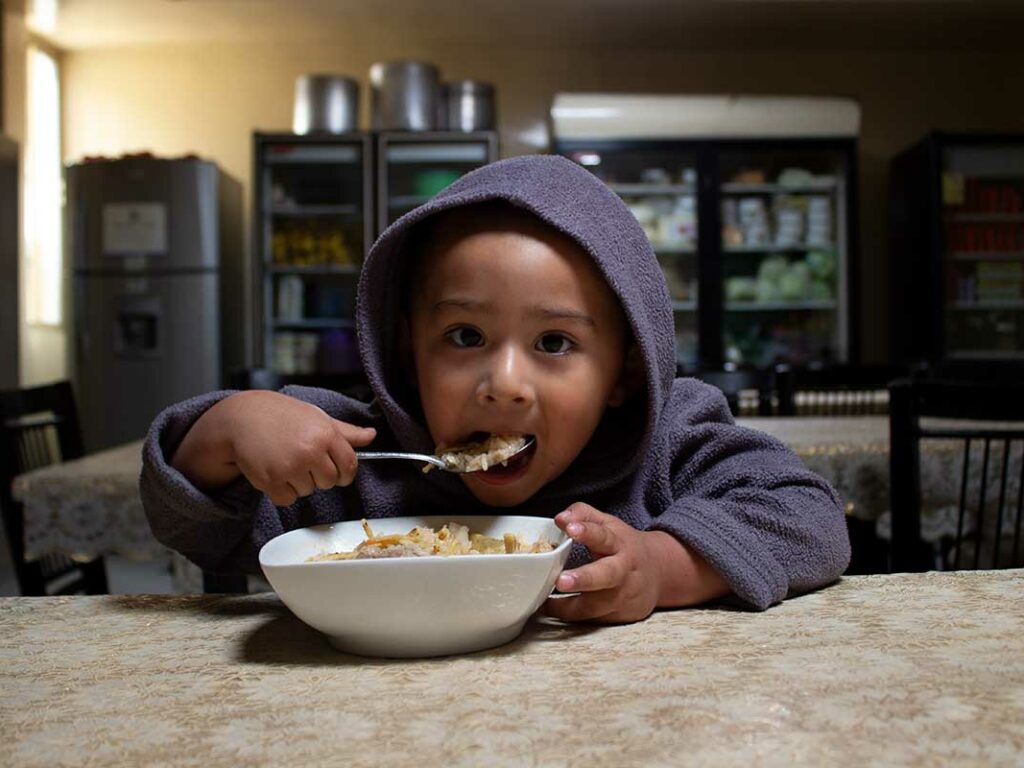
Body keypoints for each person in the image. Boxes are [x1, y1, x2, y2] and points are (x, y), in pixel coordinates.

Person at [141, 155, 849, 622]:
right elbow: (196, 527)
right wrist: (227, 430)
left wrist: (663, 568)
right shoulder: (354, 461)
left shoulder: (666, 444)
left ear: (622, 374)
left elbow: (809, 517)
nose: (505, 385)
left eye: (554, 344)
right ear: (405, 349)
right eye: (465, 338)